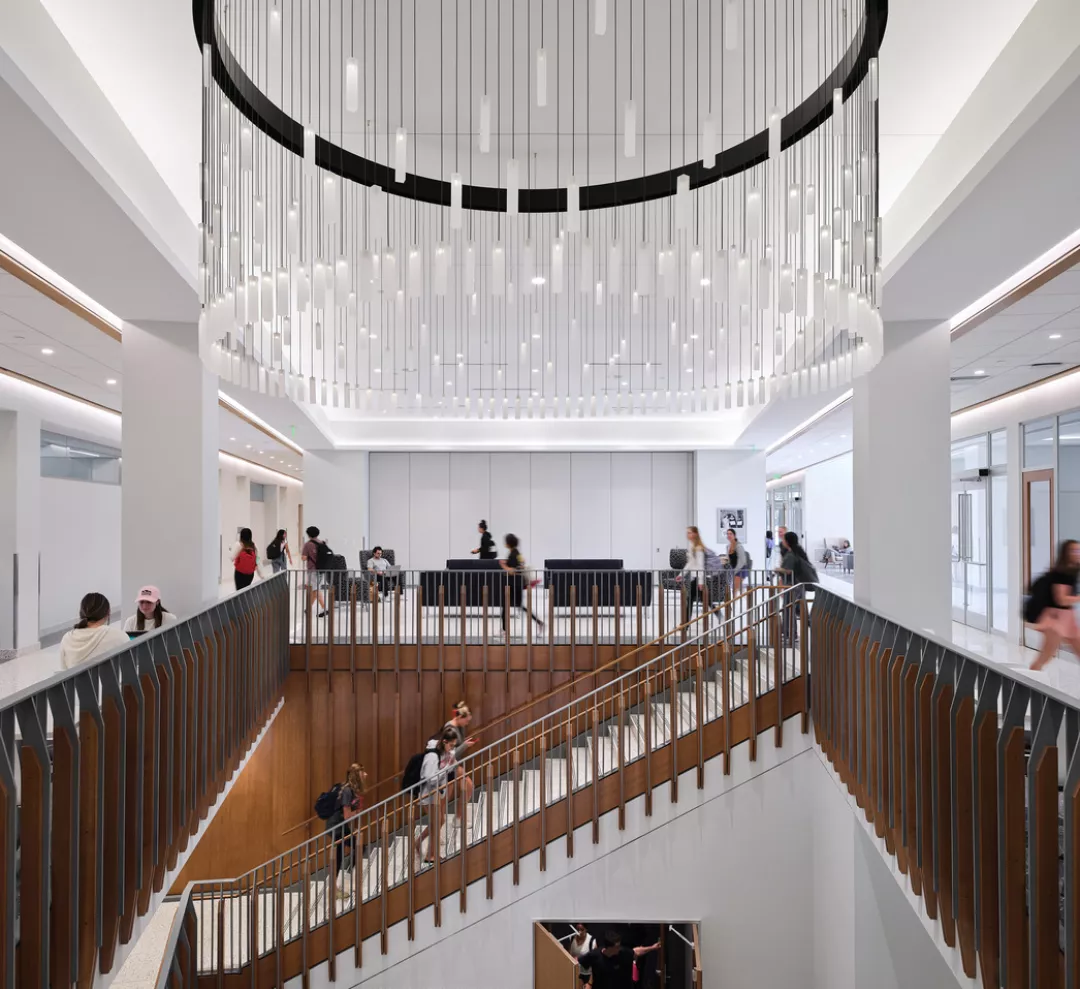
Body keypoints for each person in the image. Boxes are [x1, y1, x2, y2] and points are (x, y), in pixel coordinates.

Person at [1030, 539, 1080, 672]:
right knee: (1046, 655)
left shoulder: (1072, 571)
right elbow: (1061, 600)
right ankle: (1026, 682)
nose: (1078, 553)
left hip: (1067, 618)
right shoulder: (1062, 574)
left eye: (1079, 550)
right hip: (1056, 618)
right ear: (1066, 553)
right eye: (1074, 550)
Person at [413, 730, 457, 867]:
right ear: (444, 742)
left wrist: (451, 761)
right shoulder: (432, 756)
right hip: (428, 794)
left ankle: (419, 841)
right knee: (436, 822)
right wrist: (447, 767)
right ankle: (430, 855)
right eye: (451, 745)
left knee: (439, 820)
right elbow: (430, 778)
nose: (452, 748)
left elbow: (447, 770)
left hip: (436, 794)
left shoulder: (443, 753)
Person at [59, 593, 129, 669]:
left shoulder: (66, 639)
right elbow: (129, 670)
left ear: (81, 613)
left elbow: (63, 673)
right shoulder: (119, 637)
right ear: (108, 612)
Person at [331, 762, 368, 898]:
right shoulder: (347, 791)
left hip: (340, 826)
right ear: (356, 775)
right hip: (336, 826)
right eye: (362, 772)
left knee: (350, 850)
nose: (365, 775)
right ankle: (336, 887)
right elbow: (347, 815)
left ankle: (336, 887)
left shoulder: (351, 790)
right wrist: (357, 812)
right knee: (348, 851)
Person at [774, 531, 819, 644]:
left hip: (792, 586)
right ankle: (791, 633)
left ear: (788, 541)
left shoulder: (790, 555)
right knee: (793, 609)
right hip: (798, 586)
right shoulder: (797, 552)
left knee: (788, 609)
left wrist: (777, 570)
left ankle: (791, 634)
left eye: (784, 539)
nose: (782, 541)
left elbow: (788, 571)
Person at [577, 930, 661, 989]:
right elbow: (576, 962)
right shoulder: (595, 955)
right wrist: (586, 984)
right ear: (609, 948)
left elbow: (636, 952)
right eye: (616, 947)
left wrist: (653, 947)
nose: (619, 948)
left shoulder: (622, 953)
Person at [498, 534, 544, 636]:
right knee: (518, 606)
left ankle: (504, 631)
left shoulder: (513, 554)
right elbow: (520, 565)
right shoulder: (517, 554)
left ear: (508, 543)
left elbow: (512, 571)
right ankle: (539, 622)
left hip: (513, 585)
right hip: (518, 584)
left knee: (505, 606)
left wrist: (503, 565)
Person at [443, 701, 477, 816]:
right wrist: (465, 746)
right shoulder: (450, 729)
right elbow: (449, 753)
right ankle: (456, 817)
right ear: (459, 717)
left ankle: (458, 817)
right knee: (465, 787)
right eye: (466, 720)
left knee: (467, 787)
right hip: (448, 763)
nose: (467, 723)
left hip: (454, 764)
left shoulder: (459, 727)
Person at [676, 525, 706, 619]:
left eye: (689, 532)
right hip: (694, 577)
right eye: (687, 532)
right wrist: (681, 575)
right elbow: (690, 563)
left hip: (698, 577)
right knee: (702, 601)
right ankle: (686, 624)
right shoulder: (692, 546)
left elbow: (700, 565)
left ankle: (685, 624)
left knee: (691, 600)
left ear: (695, 534)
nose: (687, 534)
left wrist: (701, 581)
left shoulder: (698, 548)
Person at [301, 525, 329, 618]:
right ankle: (308, 608)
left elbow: (303, 557)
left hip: (312, 569)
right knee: (314, 589)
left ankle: (325, 608)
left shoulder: (308, 544)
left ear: (308, 534)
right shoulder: (322, 542)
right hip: (321, 569)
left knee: (316, 589)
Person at [726, 527, 751, 594]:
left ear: (734, 535)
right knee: (740, 589)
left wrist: (735, 570)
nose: (729, 535)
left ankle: (733, 604)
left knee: (735, 589)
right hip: (734, 570)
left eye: (730, 534)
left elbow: (742, 561)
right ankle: (749, 600)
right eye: (727, 534)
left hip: (741, 569)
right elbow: (729, 559)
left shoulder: (739, 546)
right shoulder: (728, 546)